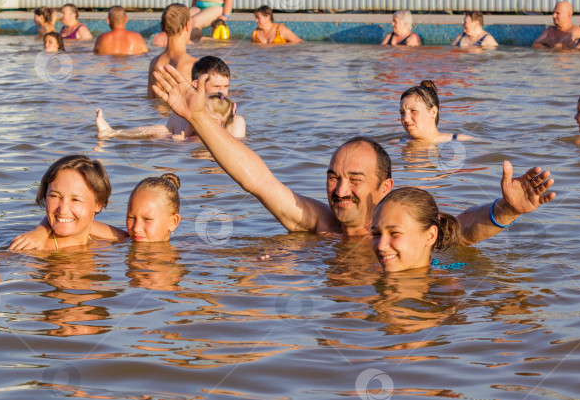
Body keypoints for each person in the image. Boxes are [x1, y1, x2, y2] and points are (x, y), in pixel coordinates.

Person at [151, 64, 556, 241]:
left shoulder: (402, 232)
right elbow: (258, 179)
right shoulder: (318, 225)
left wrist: (506, 211)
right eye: (333, 176)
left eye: (355, 180)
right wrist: (200, 120)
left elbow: (463, 229)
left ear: (386, 187)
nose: (340, 190)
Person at [0, 155, 112, 259]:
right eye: (54, 196)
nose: (62, 209)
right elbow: (10, 261)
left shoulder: (107, 239)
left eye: (76, 199)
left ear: (98, 204)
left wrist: (41, 230)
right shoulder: (38, 249)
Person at [10, 174, 183, 247]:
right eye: (131, 217)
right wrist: (40, 231)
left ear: (172, 222)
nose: (136, 227)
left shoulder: (187, 251)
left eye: (147, 219)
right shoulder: (125, 240)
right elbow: (72, 219)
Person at [371, 187, 461, 272]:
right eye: (376, 234)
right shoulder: (367, 275)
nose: (381, 246)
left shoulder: (445, 287)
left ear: (430, 236)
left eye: (394, 233)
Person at [95, 92, 238, 140]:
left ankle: (112, 133)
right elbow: (187, 130)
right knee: (161, 130)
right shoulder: (196, 122)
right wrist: (182, 136)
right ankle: (112, 132)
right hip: (183, 140)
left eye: (202, 111)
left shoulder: (218, 136)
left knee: (163, 136)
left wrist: (180, 141)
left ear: (217, 122)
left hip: (185, 145)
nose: (197, 112)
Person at [147, 4, 198, 98]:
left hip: (157, 113)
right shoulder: (194, 64)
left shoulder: (154, 63)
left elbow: (150, 100)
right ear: (187, 26)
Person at [399, 80, 472, 143]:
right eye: (402, 112)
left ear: (433, 112)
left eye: (413, 111)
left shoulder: (461, 140)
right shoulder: (396, 145)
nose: (405, 119)